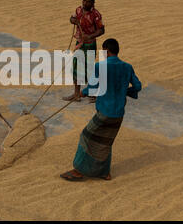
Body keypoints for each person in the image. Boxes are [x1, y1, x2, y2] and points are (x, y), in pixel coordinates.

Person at [60, 38, 142, 181]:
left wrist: (82, 93)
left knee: (86, 136)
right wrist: (124, 91)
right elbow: (138, 86)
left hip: (105, 111)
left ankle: (78, 171)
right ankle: (105, 172)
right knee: (106, 141)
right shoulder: (127, 67)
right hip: (119, 113)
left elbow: (92, 87)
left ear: (106, 51)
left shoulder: (100, 67)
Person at [63, 0, 105, 102]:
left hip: (90, 44)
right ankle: (76, 95)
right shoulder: (78, 10)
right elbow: (71, 18)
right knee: (77, 68)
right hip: (79, 43)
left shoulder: (96, 15)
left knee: (90, 69)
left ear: (93, 3)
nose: (85, 3)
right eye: (84, 0)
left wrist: (90, 36)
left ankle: (93, 94)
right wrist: (74, 21)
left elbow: (101, 30)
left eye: (88, 1)